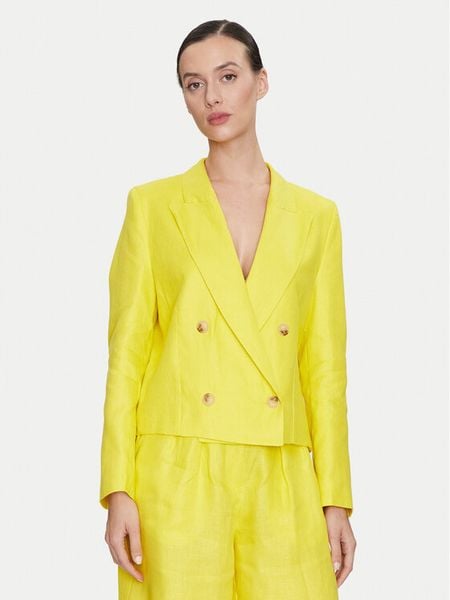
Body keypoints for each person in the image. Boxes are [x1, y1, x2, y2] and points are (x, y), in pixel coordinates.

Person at [99, 18, 357, 600]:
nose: (211, 97)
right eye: (194, 84)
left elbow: (324, 370)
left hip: (281, 470)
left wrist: (336, 498)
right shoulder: (153, 207)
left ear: (261, 82)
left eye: (228, 76)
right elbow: (126, 359)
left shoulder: (316, 218)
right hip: (178, 468)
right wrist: (118, 487)